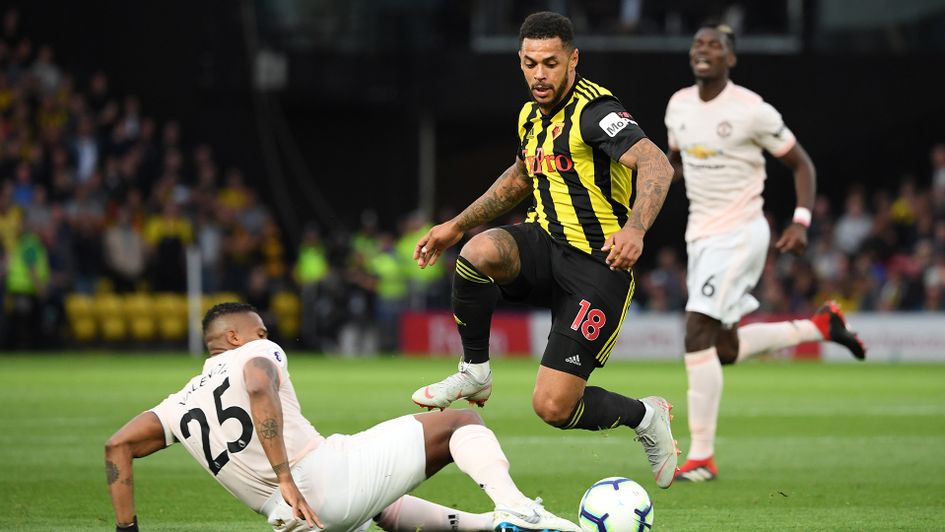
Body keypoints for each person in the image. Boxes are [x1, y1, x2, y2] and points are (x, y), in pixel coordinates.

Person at [410, 12, 679, 489]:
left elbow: (656, 164)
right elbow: (519, 178)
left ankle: (645, 417)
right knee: (478, 252)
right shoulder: (530, 116)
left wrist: (635, 229)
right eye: (530, 63)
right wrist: (455, 225)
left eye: (550, 63)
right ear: (519, 61)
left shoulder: (597, 112)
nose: (539, 74)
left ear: (573, 60)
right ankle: (474, 370)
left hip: (600, 266)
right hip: (545, 244)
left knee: (553, 407)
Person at [105, 302, 580, 532]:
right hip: (317, 480)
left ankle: (493, 526)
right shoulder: (255, 351)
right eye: (260, 329)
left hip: (290, 521)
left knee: (379, 502)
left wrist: (127, 530)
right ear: (234, 337)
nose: (267, 334)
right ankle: (515, 506)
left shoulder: (179, 403)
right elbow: (256, 385)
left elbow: (117, 448)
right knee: (461, 424)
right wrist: (285, 476)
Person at [663, 24, 867, 483]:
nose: (705, 50)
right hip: (701, 236)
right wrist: (648, 182)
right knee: (724, 348)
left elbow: (802, 164)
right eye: (699, 44)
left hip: (740, 233)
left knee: (696, 331)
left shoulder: (752, 110)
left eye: (715, 46)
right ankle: (818, 326)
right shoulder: (678, 105)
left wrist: (800, 220)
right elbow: (677, 163)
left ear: (731, 59)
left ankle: (702, 456)